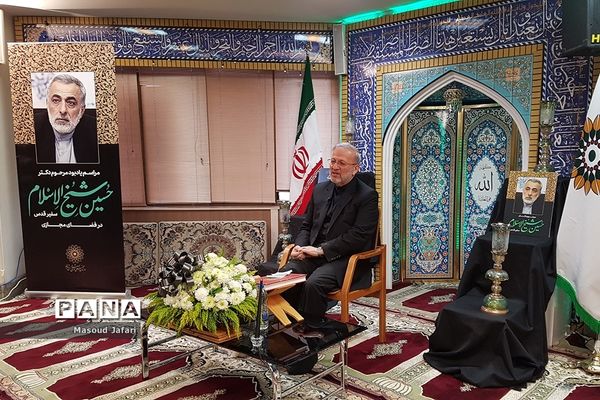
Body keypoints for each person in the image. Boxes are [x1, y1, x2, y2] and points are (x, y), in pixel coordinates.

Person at [281, 142, 379, 329]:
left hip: (346, 258)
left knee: (314, 284)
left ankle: (313, 331)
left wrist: (321, 250)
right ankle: (290, 327)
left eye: (341, 163)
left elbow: (358, 236)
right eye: (333, 161)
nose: (334, 167)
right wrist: (299, 247)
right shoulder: (319, 190)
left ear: (355, 169)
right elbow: (306, 225)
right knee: (288, 275)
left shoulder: (367, 196)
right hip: (314, 254)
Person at [34, 73, 98, 163]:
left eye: (71, 103)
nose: (63, 110)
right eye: (56, 101)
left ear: (82, 110)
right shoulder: (31, 127)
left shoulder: (97, 130)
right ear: (47, 105)